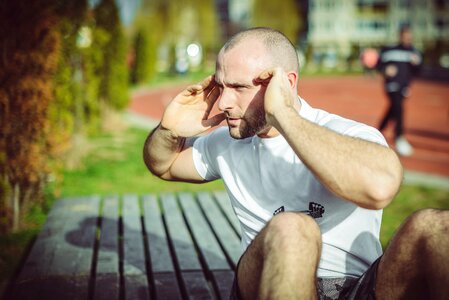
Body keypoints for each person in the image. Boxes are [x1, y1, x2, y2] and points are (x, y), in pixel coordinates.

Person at [143, 27, 448, 299]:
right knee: (293, 228)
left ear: (285, 84)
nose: (223, 103)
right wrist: (169, 130)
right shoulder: (226, 144)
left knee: (434, 227)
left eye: (238, 88)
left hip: (357, 288)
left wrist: (284, 115)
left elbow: (380, 188)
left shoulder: (349, 134)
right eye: (221, 86)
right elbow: (164, 165)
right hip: (266, 280)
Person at [376, 25, 422, 156]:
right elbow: (379, 65)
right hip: (391, 86)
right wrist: (385, 70)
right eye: (405, 35)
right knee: (399, 109)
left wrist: (416, 64)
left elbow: (418, 71)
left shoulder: (414, 52)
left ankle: (377, 132)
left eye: (409, 36)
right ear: (400, 36)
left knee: (392, 110)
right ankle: (399, 138)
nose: (407, 38)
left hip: (404, 88)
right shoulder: (389, 50)